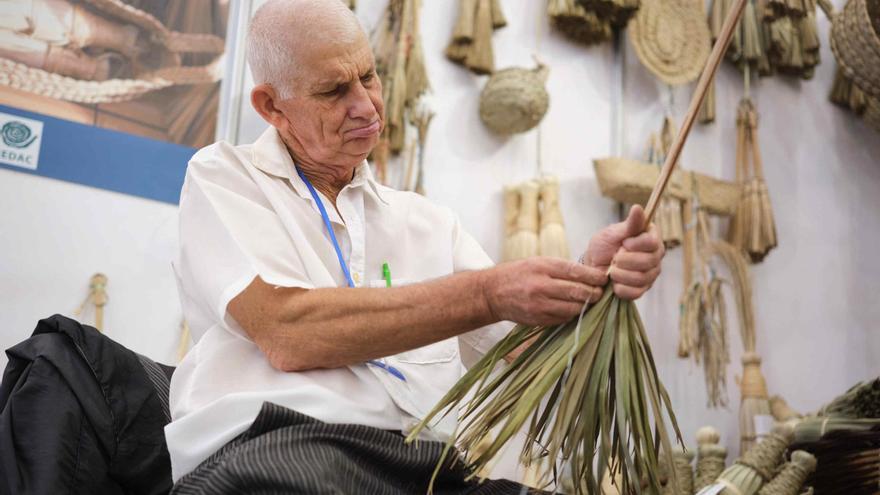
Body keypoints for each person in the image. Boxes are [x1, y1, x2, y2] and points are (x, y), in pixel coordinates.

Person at [166, 0, 665, 492]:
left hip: (425, 469)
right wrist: (484, 294)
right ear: (272, 106)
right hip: (284, 448)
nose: (365, 105)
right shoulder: (226, 178)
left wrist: (590, 282)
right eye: (334, 90)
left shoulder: (428, 223)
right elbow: (288, 333)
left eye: (369, 76)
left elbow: (523, 350)